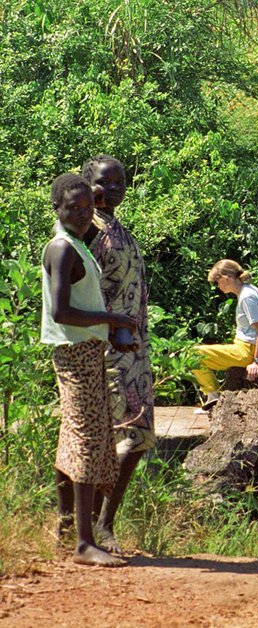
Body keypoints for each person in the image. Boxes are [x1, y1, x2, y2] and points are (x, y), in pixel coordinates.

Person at [41, 173, 135, 567]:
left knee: (80, 438)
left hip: (87, 349)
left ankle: (67, 531)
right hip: (74, 353)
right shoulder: (62, 249)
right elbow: (62, 311)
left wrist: (105, 328)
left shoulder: (79, 244)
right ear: (57, 209)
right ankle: (83, 543)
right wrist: (111, 318)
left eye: (87, 208)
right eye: (73, 208)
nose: (82, 214)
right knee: (86, 439)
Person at [81, 155, 154, 554]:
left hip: (134, 348)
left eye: (119, 182)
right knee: (122, 438)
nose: (112, 189)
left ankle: (98, 524)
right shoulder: (87, 227)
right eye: (103, 182)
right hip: (108, 347)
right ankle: (96, 527)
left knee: (135, 438)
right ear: (87, 184)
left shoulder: (116, 227)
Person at [190, 260, 258, 412]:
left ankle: (213, 397)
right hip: (245, 347)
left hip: (247, 351)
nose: (217, 286)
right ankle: (213, 396)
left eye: (217, 282)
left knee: (193, 354)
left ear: (225, 278)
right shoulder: (248, 291)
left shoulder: (247, 297)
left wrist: (257, 362)